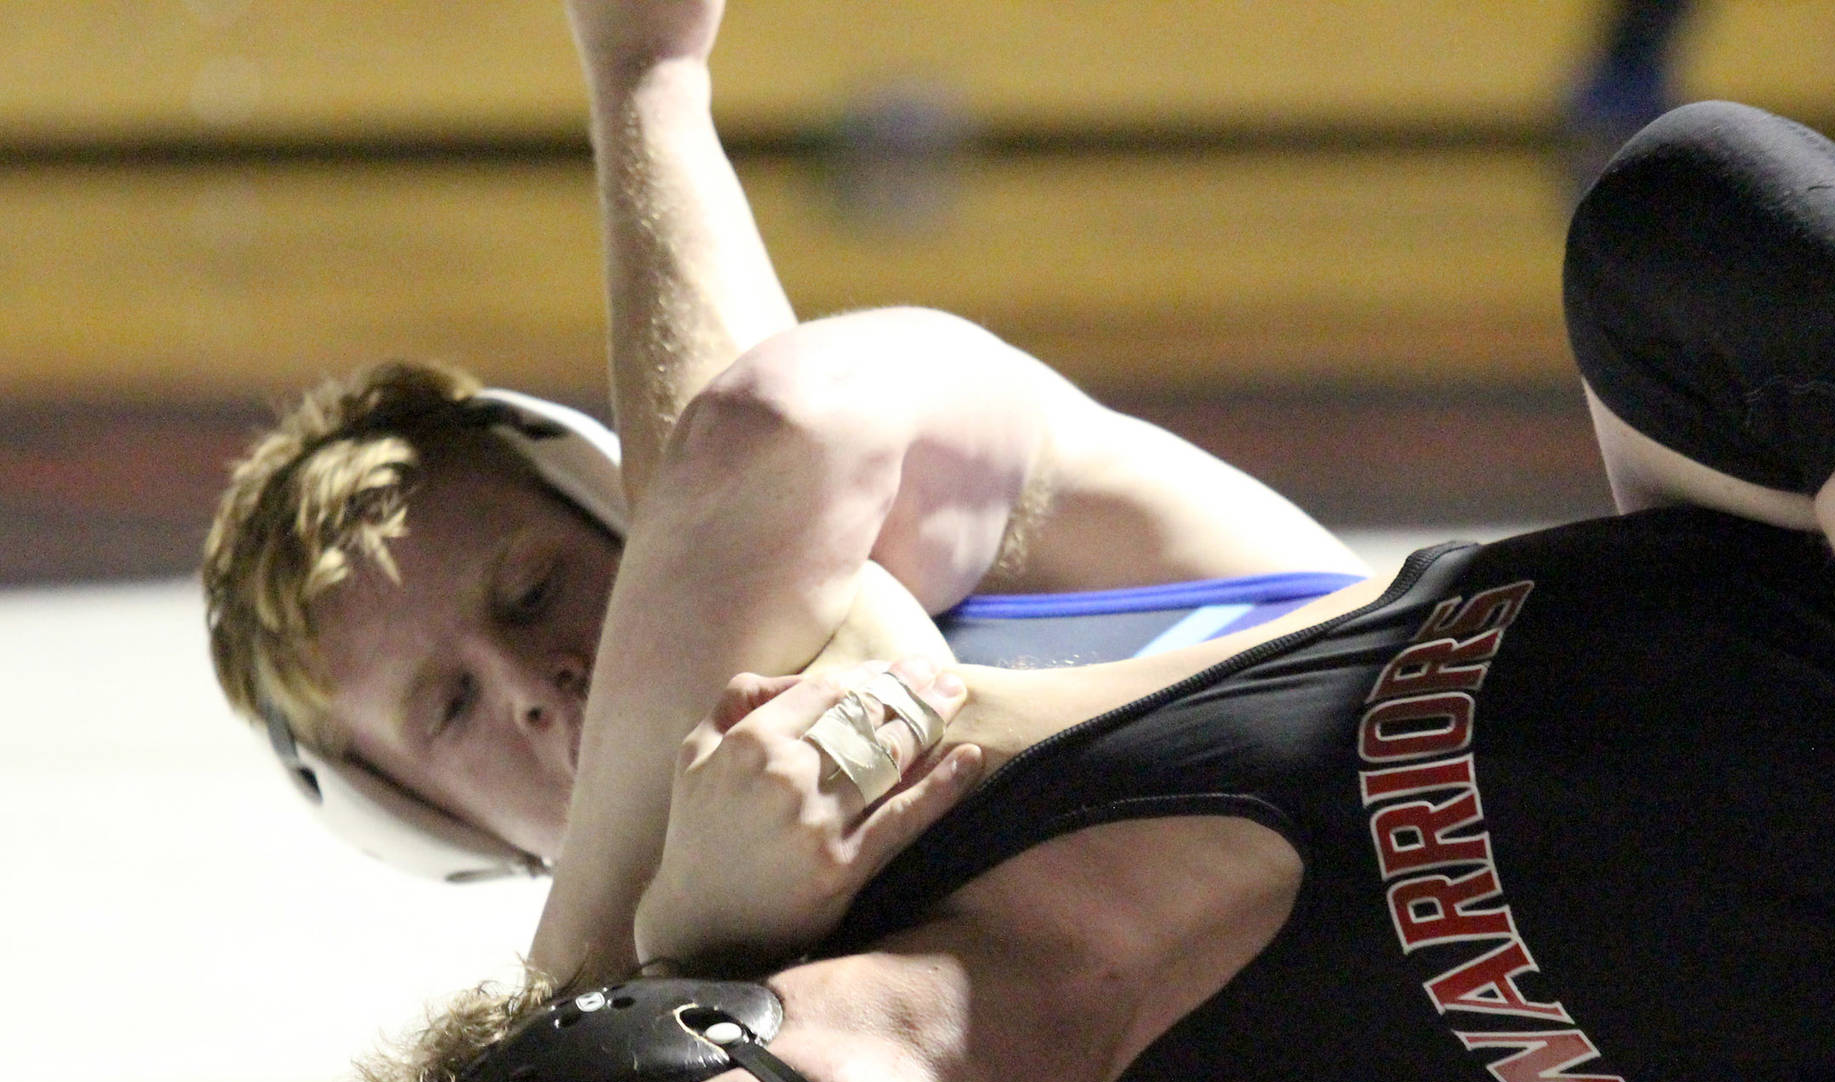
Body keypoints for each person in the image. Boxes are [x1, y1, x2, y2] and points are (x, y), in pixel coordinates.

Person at [260, 103, 1835, 1082]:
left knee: (1691, 212)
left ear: (611, 1053)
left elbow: (766, 436)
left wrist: (626, 929)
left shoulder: (871, 778)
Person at [198, 0, 1362, 885]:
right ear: (427, 823)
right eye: (448, 707)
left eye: (534, 588)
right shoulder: (789, 1028)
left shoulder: (950, 477)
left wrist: (645, 79)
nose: (536, 684)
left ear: (620, 503)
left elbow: (765, 447)